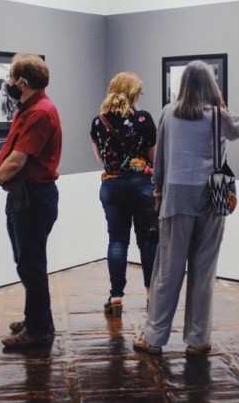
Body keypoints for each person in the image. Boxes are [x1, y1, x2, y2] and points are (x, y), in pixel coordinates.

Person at [134, 60, 239, 356]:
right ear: (211, 86)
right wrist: (220, 102)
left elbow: (160, 161)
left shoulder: (169, 113)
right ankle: (198, 339)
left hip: (176, 197)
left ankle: (154, 337)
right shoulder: (219, 116)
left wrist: (157, 190)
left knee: (168, 271)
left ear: (183, 85)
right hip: (214, 195)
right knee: (204, 269)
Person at [0, 53, 61, 349]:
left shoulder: (39, 112)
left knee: (31, 263)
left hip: (33, 197)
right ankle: (38, 318)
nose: (9, 84)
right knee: (26, 262)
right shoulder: (26, 109)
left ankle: (39, 330)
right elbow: (9, 151)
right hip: (24, 196)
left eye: (11, 79)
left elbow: (17, 161)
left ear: (23, 82)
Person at [90, 71, 157, 317]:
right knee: (147, 240)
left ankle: (116, 296)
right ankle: (151, 294)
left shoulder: (99, 121)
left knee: (117, 241)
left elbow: (100, 158)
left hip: (112, 186)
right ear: (133, 93)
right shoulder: (143, 119)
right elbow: (154, 157)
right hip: (142, 186)